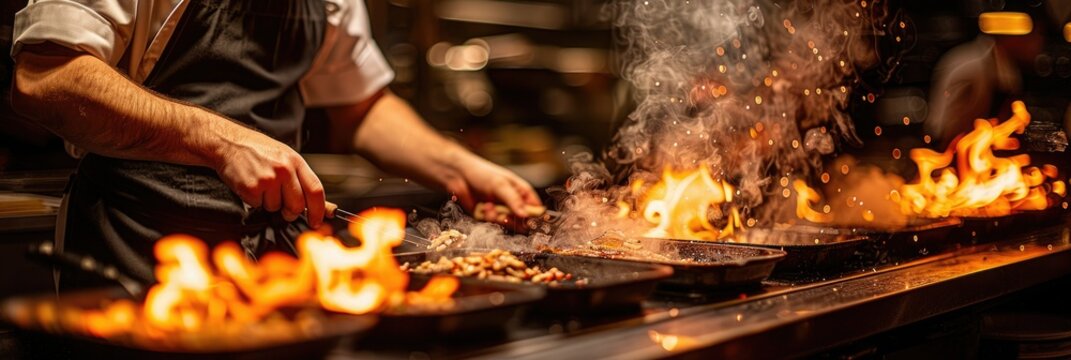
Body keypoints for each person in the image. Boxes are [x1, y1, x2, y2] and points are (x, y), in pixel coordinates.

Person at [10, 0, 542, 287]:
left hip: (277, 266)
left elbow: (358, 105)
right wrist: (220, 141)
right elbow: (45, 79)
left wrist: (462, 168)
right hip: (136, 253)